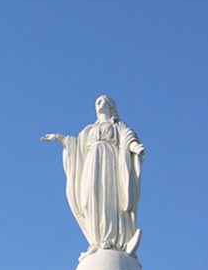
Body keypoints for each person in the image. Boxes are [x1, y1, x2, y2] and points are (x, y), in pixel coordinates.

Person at [41, 95, 145, 257]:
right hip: (91, 163)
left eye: (102, 100)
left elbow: (128, 137)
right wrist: (60, 139)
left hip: (109, 163)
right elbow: (76, 145)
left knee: (108, 198)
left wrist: (135, 147)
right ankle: (95, 240)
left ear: (111, 105)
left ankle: (109, 238)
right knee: (89, 198)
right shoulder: (89, 130)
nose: (98, 103)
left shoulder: (117, 126)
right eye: (96, 101)